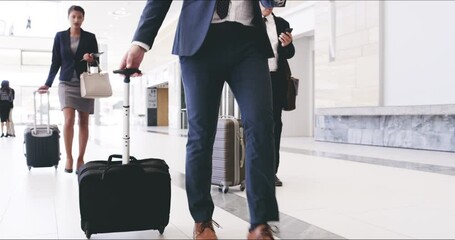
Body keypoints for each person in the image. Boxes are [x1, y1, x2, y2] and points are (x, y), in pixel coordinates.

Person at [119, 0, 279, 239]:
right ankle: (202, 220)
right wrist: (140, 43)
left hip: (249, 40)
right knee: (201, 133)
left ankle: (259, 223)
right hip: (199, 42)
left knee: (261, 125)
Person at [38, 5, 99, 174]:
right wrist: (48, 83)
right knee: (69, 119)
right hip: (66, 83)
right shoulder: (59, 37)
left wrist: (91, 58)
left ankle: (80, 158)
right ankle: (69, 157)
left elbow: (96, 61)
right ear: (69, 17)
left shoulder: (90, 37)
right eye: (74, 17)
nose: (76, 20)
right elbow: (55, 62)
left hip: (84, 83)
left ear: (83, 18)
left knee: (84, 121)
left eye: (79, 17)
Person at [260, 2, 295, 187]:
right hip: (253, 80)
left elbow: (289, 54)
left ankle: (271, 172)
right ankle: (250, 170)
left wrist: (288, 44)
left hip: (276, 80)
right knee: (254, 125)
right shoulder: (248, 22)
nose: (269, 7)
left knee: (274, 126)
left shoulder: (281, 23)